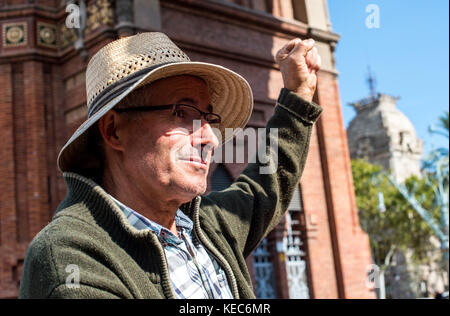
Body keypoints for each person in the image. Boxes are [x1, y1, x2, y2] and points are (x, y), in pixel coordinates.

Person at [19, 32, 322, 299]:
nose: (211, 140)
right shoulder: (72, 257)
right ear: (114, 130)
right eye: (182, 113)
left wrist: (299, 95)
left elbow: (265, 186)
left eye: (208, 119)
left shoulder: (206, 228)